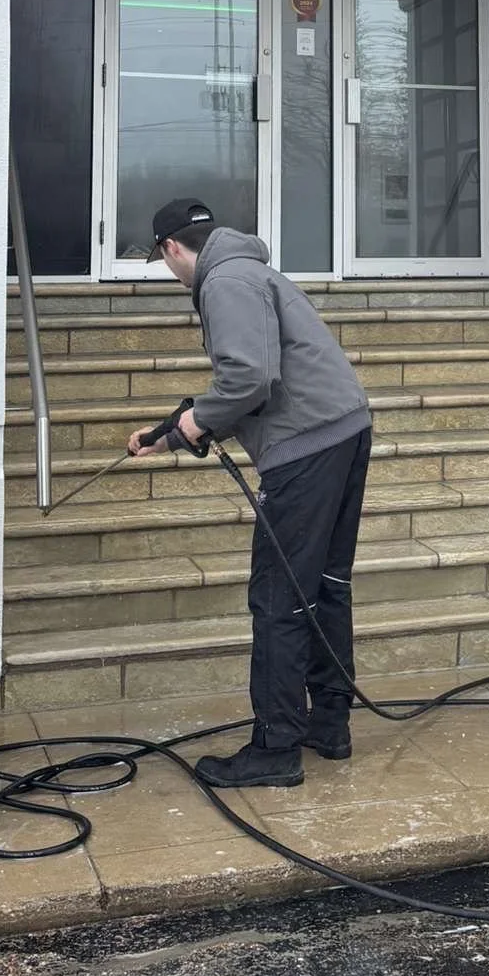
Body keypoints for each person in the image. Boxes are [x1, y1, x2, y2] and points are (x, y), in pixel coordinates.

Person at [127, 198, 372, 789]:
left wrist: (201, 420)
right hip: (342, 429)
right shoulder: (253, 270)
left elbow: (249, 378)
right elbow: (261, 377)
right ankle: (329, 724)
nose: (170, 273)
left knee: (278, 596)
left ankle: (276, 747)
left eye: (164, 263)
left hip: (305, 447)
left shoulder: (223, 281)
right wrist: (176, 428)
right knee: (325, 586)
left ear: (171, 249)